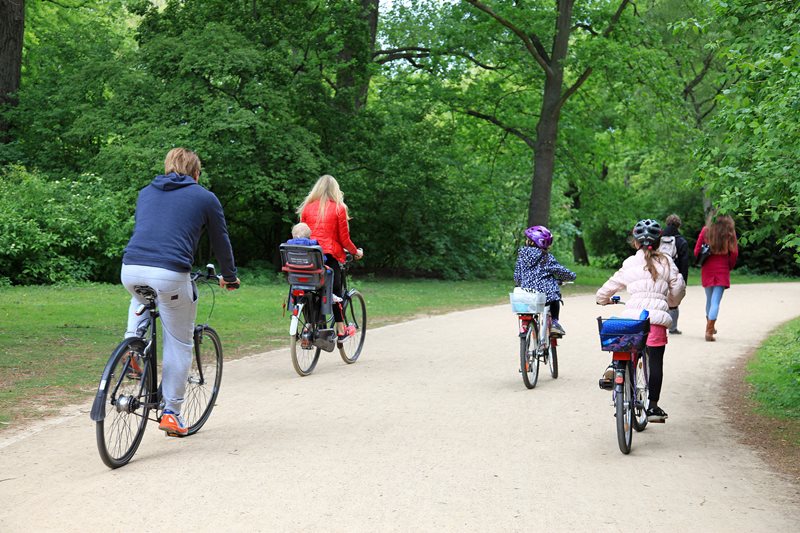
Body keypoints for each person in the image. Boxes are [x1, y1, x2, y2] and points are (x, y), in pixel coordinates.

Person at [122, 148, 240, 437]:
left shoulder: (145, 192)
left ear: (167, 167)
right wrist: (230, 276)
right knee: (179, 341)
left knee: (140, 296)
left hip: (130, 268)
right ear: (196, 173)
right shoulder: (204, 197)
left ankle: (132, 343)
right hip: (171, 273)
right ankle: (172, 413)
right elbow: (220, 240)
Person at [596, 219, 685, 422]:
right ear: (659, 241)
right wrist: (670, 302)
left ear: (636, 242)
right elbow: (678, 289)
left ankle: (615, 367)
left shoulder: (629, 263)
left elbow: (608, 287)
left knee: (625, 343)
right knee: (655, 362)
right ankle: (652, 407)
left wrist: (604, 300)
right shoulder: (667, 262)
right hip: (656, 321)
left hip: (634, 321)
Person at [298, 174, 363, 343]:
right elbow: (344, 240)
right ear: (336, 190)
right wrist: (356, 252)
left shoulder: (307, 208)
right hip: (328, 256)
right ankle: (341, 330)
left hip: (308, 257)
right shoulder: (338, 208)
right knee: (335, 293)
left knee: (309, 289)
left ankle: (308, 325)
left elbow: (302, 234)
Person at [513, 225, 576, 335]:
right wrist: (571, 276)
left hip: (526, 295)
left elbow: (517, 275)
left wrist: (520, 284)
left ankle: (527, 330)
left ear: (531, 242)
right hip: (544, 295)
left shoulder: (521, 256)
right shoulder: (546, 257)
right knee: (555, 298)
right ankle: (555, 323)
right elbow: (559, 270)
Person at [694, 213, 738, 342]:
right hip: (722, 268)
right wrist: (729, 266)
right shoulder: (729, 231)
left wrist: (701, 260)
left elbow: (697, 250)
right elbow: (734, 253)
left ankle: (710, 327)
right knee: (716, 302)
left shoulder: (706, 230)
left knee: (709, 300)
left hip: (707, 267)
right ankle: (709, 331)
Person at [662, 214, 690, 334]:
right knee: (673, 302)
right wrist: (683, 280)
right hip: (675, 275)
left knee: (660, 300)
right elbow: (684, 263)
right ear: (679, 225)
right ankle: (672, 328)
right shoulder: (681, 241)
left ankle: (660, 326)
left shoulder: (659, 238)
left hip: (660, 273)